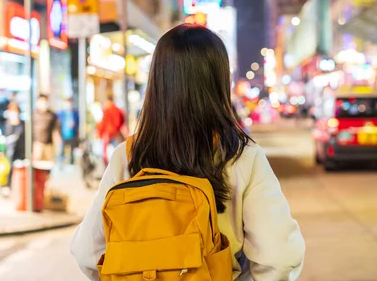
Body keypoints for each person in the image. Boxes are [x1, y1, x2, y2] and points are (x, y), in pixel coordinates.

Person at [71, 25, 305, 280]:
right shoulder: (240, 155)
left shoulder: (128, 155)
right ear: (218, 82)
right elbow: (280, 257)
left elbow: (87, 252)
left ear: (157, 81)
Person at [96, 95, 125, 164]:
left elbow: (103, 123)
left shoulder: (106, 110)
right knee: (116, 152)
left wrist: (100, 132)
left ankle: (107, 164)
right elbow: (121, 121)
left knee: (106, 152)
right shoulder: (118, 110)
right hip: (116, 134)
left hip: (108, 134)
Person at [33, 94, 62, 165]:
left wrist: (57, 142)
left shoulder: (52, 115)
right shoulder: (34, 115)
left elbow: (56, 130)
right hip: (37, 145)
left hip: (49, 145)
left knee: (48, 166)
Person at [4, 102, 25, 191]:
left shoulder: (23, 125)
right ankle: (8, 186)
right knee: (9, 170)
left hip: (21, 151)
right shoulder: (8, 124)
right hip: (10, 151)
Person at [57, 98, 79, 166]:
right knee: (62, 150)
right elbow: (58, 124)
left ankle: (71, 164)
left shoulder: (75, 114)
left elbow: (78, 124)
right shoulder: (61, 113)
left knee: (72, 150)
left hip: (72, 135)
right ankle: (61, 163)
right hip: (63, 135)